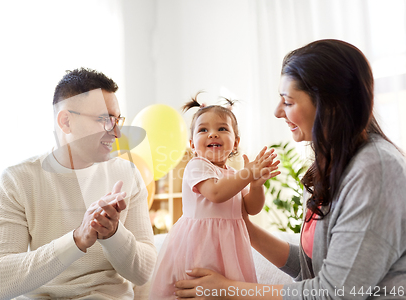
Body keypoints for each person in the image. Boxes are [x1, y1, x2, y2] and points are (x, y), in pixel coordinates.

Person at [174, 39, 406, 299]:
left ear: (328, 104)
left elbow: (336, 292)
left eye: (288, 101)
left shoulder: (376, 170)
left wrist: (227, 289)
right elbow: (312, 269)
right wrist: (240, 228)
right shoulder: (330, 165)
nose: (277, 112)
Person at [0, 68, 157, 300]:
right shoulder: (17, 180)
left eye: (117, 120)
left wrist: (113, 233)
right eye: (105, 120)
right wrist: (77, 239)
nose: (116, 132)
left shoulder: (127, 174)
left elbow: (143, 273)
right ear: (66, 121)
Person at [149, 95, 280, 299]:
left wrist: (255, 185)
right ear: (192, 144)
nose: (212, 135)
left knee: (227, 291)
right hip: (199, 247)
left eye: (222, 129)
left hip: (231, 248)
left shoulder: (233, 174)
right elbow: (216, 193)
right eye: (203, 130)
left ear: (235, 143)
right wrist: (247, 174)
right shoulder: (196, 166)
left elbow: (251, 208)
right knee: (198, 290)